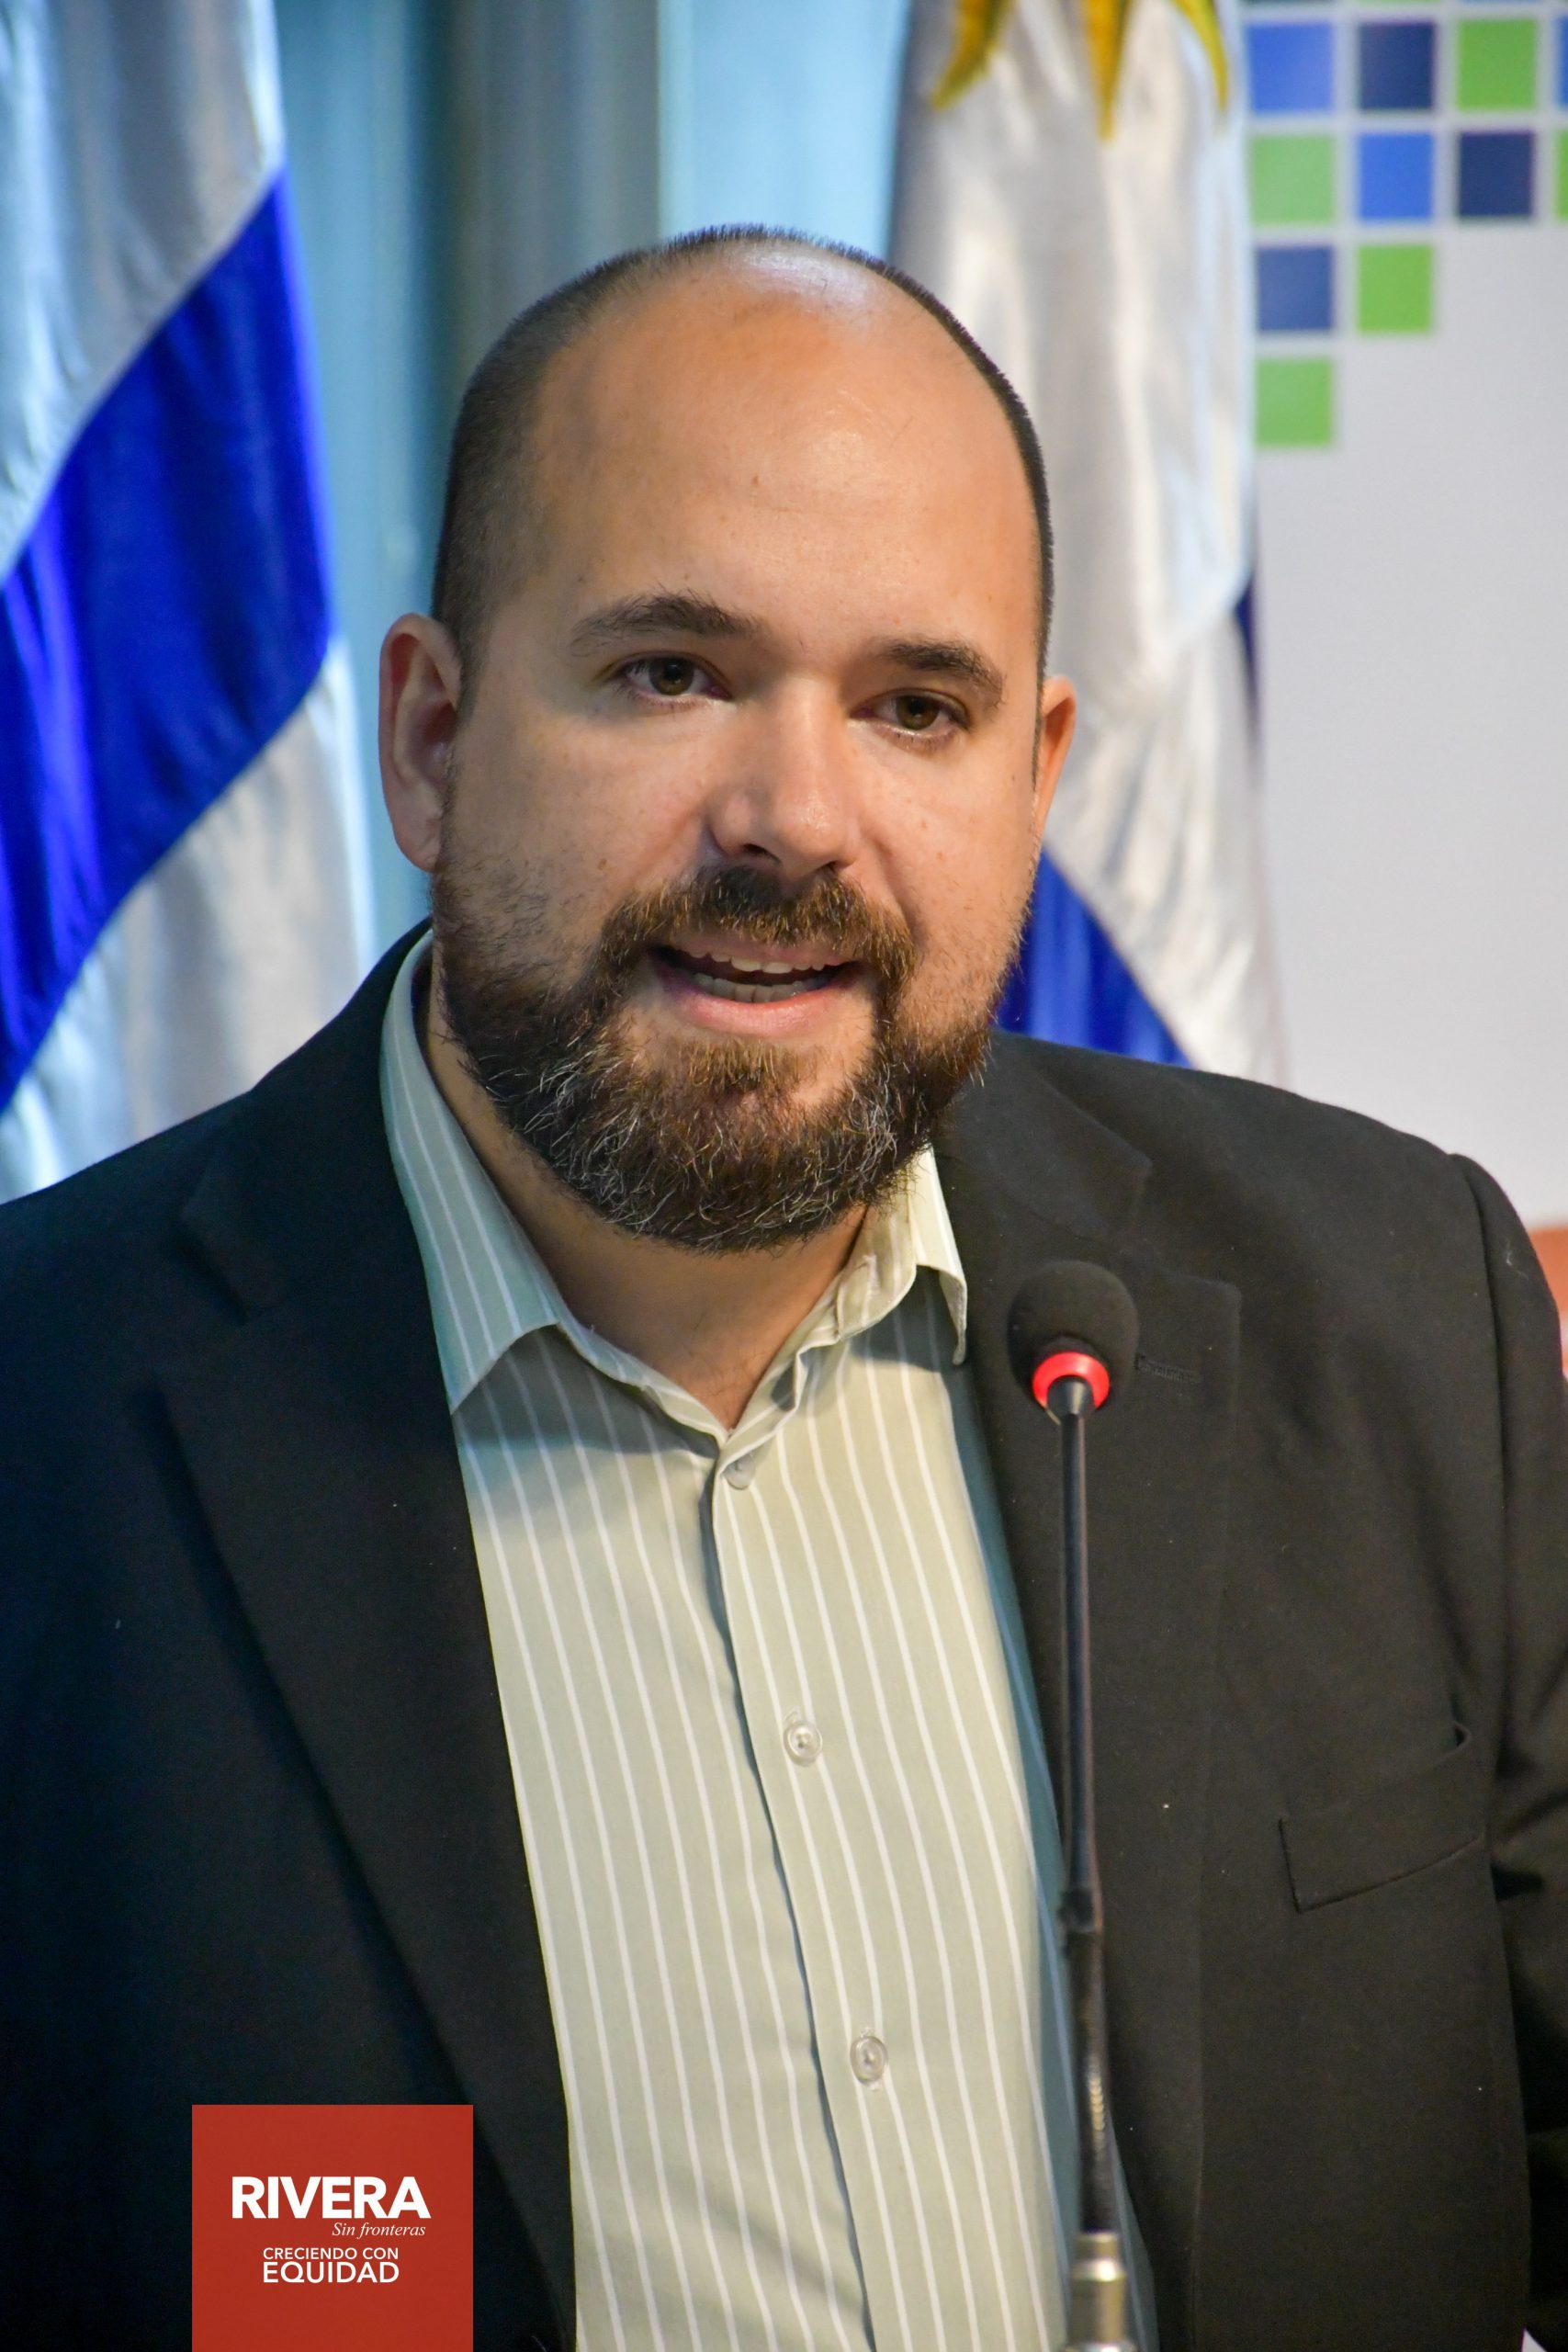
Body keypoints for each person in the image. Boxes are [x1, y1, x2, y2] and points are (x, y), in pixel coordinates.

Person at [1, 227, 1563, 2352]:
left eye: (916, 707)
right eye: (671, 672)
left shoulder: (1386, 1310)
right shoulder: (48, 1418)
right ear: (432, 737)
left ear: (1033, 772)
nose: (794, 818)